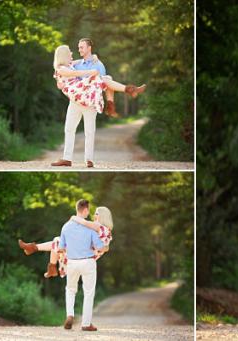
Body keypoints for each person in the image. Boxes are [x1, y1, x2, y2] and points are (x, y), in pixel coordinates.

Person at [50, 38, 146, 168]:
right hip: (76, 99)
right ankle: (67, 158)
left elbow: (89, 74)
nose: (75, 53)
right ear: (64, 56)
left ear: (89, 48)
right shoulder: (64, 68)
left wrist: (94, 60)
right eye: (70, 53)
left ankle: (89, 159)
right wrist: (91, 72)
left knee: (90, 130)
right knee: (69, 129)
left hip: (88, 98)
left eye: (81, 47)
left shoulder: (90, 64)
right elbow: (74, 73)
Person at [18, 206, 114, 279]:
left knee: (57, 241)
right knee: (57, 242)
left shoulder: (101, 227)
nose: (94, 215)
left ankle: (43, 258)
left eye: (97, 214)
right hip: (83, 252)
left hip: (83, 254)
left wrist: (74, 218)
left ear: (102, 216)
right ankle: (39, 255)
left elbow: (84, 223)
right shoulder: (104, 230)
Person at [60, 199, 104, 331]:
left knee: (70, 290)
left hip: (72, 262)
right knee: (88, 292)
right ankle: (86, 324)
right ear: (84, 210)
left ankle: (70, 315)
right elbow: (100, 247)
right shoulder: (90, 228)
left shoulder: (66, 226)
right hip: (88, 262)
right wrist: (105, 245)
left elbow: (61, 247)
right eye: (88, 210)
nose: (88, 213)